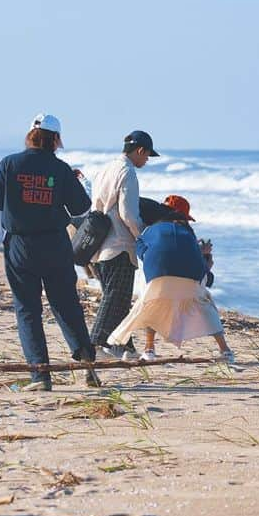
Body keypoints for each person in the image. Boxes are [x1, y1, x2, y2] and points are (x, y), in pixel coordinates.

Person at [0, 113, 99, 391]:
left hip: (20, 245)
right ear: (55, 139)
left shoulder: (9, 164)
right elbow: (82, 209)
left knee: (28, 310)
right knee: (66, 304)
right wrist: (77, 181)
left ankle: (40, 376)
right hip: (55, 244)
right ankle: (88, 365)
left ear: (30, 135)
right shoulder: (61, 169)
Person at [107, 195, 234, 363]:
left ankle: (149, 350)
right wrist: (204, 258)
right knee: (206, 306)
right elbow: (200, 266)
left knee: (152, 304)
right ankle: (225, 351)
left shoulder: (151, 230)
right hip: (190, 277)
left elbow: (142, 251)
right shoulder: (187, 233)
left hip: (158, 274)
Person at [87, 130, 159, 360]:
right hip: (118, 245)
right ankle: (95, 345)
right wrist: (143, 236)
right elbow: (128, 214)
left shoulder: (105, 169)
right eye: (147, 155)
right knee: (115, 299)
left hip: (99, 246)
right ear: (140, 150)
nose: (147, 160)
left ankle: (125, 347)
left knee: (118, 300)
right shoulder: (127, 173)